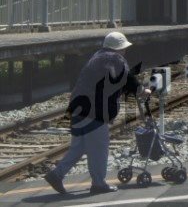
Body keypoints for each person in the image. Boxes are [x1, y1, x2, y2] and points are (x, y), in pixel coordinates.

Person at [44, 31, 151, 195]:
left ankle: (56, 175)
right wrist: (141, 90)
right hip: (95, 112)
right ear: (119, 48)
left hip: (77, 107)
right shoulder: (115, 58)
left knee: (79, 147)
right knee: (99, 148)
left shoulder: (97, 56)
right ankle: (98, 184)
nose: (125, 51)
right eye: (124, 48)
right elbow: (126, 78)